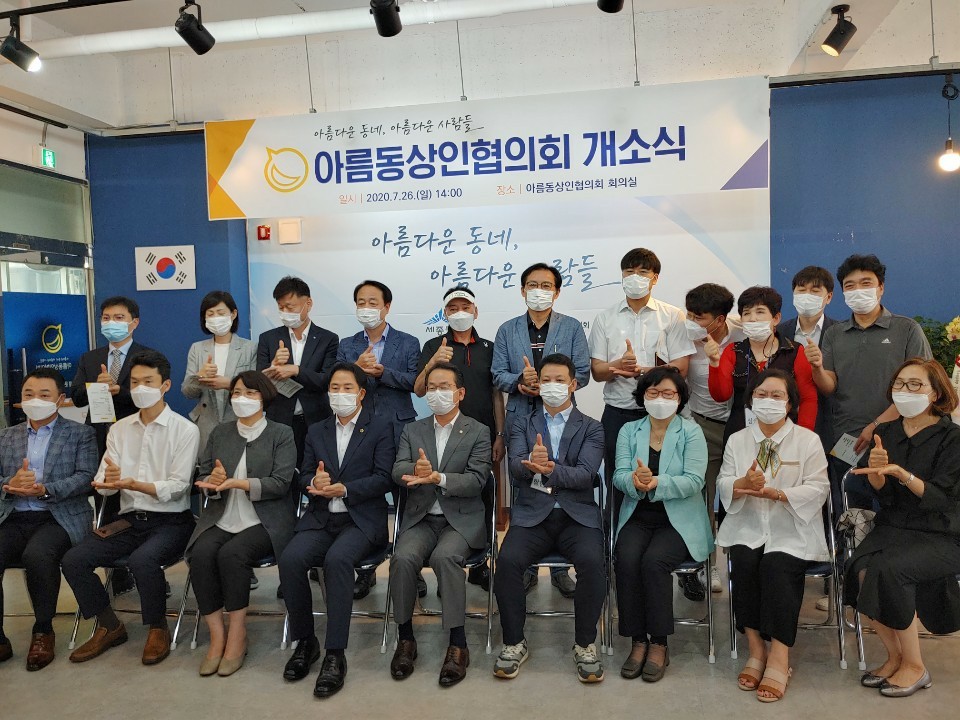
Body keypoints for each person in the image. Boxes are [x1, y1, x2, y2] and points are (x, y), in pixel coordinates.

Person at [62, 351, 199, 666]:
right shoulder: (119, 429)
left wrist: (136, 484)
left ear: (165, 385)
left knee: (142, 560)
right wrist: (109, 482)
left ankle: (157, 627)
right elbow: (103, 482)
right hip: (128, 521)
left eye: (148, 381)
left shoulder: (185, 429)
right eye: (135, 382)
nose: (140, 388)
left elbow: (179, 486)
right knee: (74, 559)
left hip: (172, 522)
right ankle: (109, 625)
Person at [845, 358, 960, 698]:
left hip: (942, 531)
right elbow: (883, 494)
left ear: (935, 393)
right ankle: (895, 657)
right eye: (899, 384)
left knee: (889, 570)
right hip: (895, 524)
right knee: (858, 568)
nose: (904, 390)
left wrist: (903, 474)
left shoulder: (952, 438)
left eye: (914, 384)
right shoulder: (888, 433)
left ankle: (915, 665)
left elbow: (941, 498)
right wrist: (878, 474)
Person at [279, 362, 394, 698]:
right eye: (334, 388)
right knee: (291, 559)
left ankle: (335, 653)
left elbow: (384, 478)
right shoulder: (317, 430)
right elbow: (303, 475)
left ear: (361, 393)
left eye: (347, 388)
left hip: (361, 520)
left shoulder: (380, 426)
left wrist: (345, 489)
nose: (339, 394)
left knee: (337, 561)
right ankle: (306, 641)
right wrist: (314, 482)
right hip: (320, 518)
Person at [716, 369, 829, 703]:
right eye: (761, 394)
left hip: (791, 527)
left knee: (777, 566)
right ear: (751, 400)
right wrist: (740, 484)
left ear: (790, 403)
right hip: (748, 523)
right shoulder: (738, 440)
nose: (768, 401)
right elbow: (723, 481)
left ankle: (779, 655)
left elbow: (819, 487)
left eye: (777, 395)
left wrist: (780, 495)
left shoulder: (807, 440)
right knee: (744, 562)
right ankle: (755, 649)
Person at [493, 354, 606, 683]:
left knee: (592, 563)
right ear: (537, 385)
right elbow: (515, 469)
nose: (552, 386)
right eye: (546, 380)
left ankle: (585, 644)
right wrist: (530, 461)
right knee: (507, 562)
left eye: (559, 380)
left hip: (577, 516)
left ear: (573, 384)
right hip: (533, 515)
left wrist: (549, 470)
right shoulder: (521, 423)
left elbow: (586, 475)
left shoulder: (592, 427)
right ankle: (514, 642)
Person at [186, 371, 296, 677]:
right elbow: (204, 475)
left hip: (265, 520)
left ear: (264, 398)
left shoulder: (281, 433)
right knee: (201, 553)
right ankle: (216, 637)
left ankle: (237, 634)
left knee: (231, 554)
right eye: (236, 393)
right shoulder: (220, 432)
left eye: (249, 393)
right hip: (222, 515)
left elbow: (281, 483)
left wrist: (240, 483)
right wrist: (212, 481)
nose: (241, 399)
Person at [388, 362, 491, 687]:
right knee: (402, 558)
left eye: (444, 387)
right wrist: (414, 471)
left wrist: (439, 478)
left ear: (460, 393)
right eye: (431, 388)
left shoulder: (478, 430)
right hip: (421, 518)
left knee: (445, 558)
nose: (436, 393)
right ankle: (406, 638)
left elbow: (477, 480)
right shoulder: (413, 430)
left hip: (459, 520)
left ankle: (458, 643)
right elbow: (397, 469)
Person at [805, 254, 931, 512]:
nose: (858, 290)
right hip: (847, 441)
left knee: (897, 510)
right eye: (850, 285)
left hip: (899, 438)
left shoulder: (907, 329)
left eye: (866, 283)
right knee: (853, 515)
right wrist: (817, 368)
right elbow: (829, 385)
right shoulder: (835, 333)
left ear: (880, 287)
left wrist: (875, 425)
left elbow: (921, 388)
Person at [492, 262, 589, 597]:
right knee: (525, 484)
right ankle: (528, 566)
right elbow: (497, 374)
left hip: (561, 415)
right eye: (532, 285)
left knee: (558, 478)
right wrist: (519, 382)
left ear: (557, 292)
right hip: (521, 415)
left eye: (546, 286)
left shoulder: (571, 327)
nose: (539, 291)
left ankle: (561, 569)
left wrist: (551, 385)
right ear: (522, 290)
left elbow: (583, 373)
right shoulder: (507, 330)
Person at [612, 366, 713, 683]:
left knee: (654, 562)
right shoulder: (629, 430)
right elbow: (618, 476)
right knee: (627, 558)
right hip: (638, 515)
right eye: (653, 392)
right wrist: (634, 480)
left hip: (678, 520)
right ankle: (637, 640)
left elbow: (695, 481)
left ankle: (658, 642)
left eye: (668, 393)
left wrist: (657, 482)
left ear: (680, 398)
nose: (660, 398)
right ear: (643, 396)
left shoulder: (691, 432)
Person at [0, 369, 98, 671]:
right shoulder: (6, 436)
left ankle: (43, 631)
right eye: (28, 394)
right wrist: (9, 483)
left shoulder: (80, 433)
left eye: (44, 395)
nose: (36, 400)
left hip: (59, 516)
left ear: (60, 399)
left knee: (38, 556)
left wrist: (46, 489)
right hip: (14, 515)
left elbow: (86, 477)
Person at [589, 248, 694, 525]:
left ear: (655, 278)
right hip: (618, 413)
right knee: (618, 480)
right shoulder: (605, 318)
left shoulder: (672, 316)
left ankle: (662, 537)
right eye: (629, 272)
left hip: (663, 415)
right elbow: (597, 371)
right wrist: (616, 365)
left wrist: (644, 372)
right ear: (622, 276)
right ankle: (616, 541)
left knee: (664, 479)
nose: (635, 277)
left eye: (643, 272)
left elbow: (681, 367)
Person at [416, 286, 505, 592]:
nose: (459, 313)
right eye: (452, 309)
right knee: (447, 495)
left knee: (483, 498)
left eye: (465, 307)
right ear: (445, 313)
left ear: (475, 311)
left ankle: (481, 565)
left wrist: (500, 434)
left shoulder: (490, 347)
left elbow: (496, 394)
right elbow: (418, 389)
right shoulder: (433, 345)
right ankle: (447, 564)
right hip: (443, 437)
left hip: (482, 437)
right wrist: (433, 362)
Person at [337, 280, 420, 600]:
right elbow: (337, 382)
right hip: (360, 431)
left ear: (387, 306)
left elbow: (415, 382)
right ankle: (366, 570)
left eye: (373, 302)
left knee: (406, 499)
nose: (366, 308)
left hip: (399, 429)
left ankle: (410, 566)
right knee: (365, 498)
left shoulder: (408, 341)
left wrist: (382, 372)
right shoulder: (347, 345)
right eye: (361, 302)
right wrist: (356, 370)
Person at [71, 296, 155, 595]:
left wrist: (120, 391)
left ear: (134, 322)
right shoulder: (90, 358)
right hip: (99, 436)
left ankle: (147, 569)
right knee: (106, 500)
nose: (111, 323)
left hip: (136, 437)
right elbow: (76, 397)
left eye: (118, 318)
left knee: (136, 500)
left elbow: (152, 395)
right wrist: (96, 386)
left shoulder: (147, 356)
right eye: (106, 317)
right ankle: (117, 575)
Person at [776, 266, 838, 612]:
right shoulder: (781, 331)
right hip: (784, 430)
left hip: (827, 428)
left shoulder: (840, 332)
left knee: (827, 500)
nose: (807, 296)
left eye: (816, 290)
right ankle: (790, 572)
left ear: (829, 297)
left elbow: (836, 385)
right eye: (801, 289)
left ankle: (833, 581)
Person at [683, 283, 743, 596]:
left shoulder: (743, 334)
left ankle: (740, 564)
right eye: (689, 314)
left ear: (720, 319)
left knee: (737, 500)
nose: (692, 321)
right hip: (701, 426)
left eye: (699, 317)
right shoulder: (682, 336)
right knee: (702, 500)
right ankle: (707, 565)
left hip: (740, 428)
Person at [707, 286, 818, 444]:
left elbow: (808, 399)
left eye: (760, 312)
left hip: (785, 437)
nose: (752, 319)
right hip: (740, 435)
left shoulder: (795, 351)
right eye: (746, 313)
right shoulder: (733, 350)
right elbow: (721, 396)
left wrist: (803, 438)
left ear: (776, 318)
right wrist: (714, 363)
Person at [257, 276, 339, 469]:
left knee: (315, 471)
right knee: (281, 472)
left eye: (290, 307)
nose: (285, 312)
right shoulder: (268, 338)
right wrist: (274, 365)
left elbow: (326, 380)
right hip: (279, 419)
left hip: (316, 419)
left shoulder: (328, 339)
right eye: (281, 307)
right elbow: (259, 382)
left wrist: (296, 370)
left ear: (308, 304)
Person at [182, 290, 258, 454]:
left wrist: (230, 384)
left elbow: (258, 388)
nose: (215, 318)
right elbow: (187, 392)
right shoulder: (197, 348)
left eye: (221, 313)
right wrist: (200, 376)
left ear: (233, 314)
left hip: (240, 420)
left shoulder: (250, 348)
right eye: (210, 314)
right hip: (205, 424)